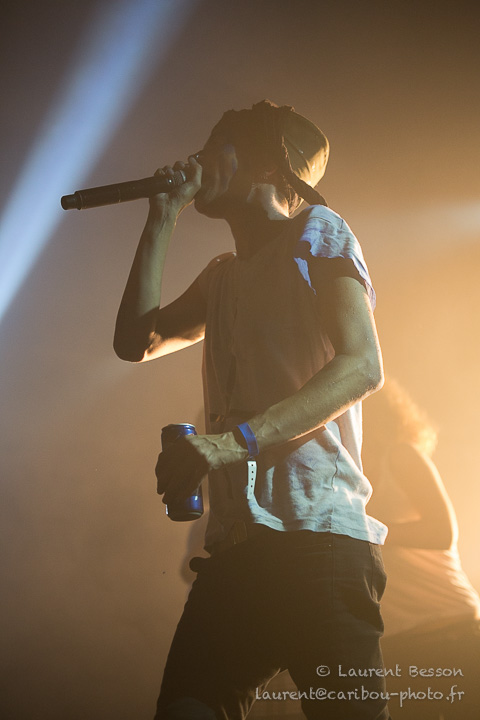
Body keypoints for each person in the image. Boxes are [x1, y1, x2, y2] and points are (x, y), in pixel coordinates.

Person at [114, 100, 390, 720]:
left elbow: (362, 366)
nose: (201, 157)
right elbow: (136, 342)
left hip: (318, 543)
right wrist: (162, 216)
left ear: (270, 166)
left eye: (221, 144)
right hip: (238, 555)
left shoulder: (318, 230)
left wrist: (228, 442)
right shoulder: (222, 277)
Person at [362, 379, 480, 719]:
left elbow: (442, 532)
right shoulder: (347, 476)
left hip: (452, 630)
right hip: (398, 644)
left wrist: (370, 531)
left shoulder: (401, 455)